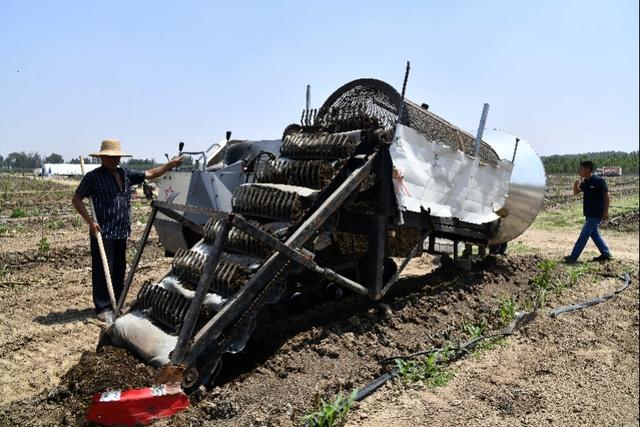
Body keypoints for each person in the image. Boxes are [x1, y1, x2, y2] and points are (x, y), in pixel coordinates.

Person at [72, 139, 182, 320]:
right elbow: (76, 199)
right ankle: (102, 307)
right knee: (102, 269)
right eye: (109, 157)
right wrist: (90, 221)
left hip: (121, 231)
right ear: (102, 158)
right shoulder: (93, 177)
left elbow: (151, 173)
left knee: (119, 269)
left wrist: (169, 165)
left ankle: (117, 302)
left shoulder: (125, 174)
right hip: (103, 231)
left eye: (115, 157)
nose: (113, 160)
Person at [564, 160, 612, 264]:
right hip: (589, 213)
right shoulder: (585, 182)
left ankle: (573, 256)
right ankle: (606, 254)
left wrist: (606, 211)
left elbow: (607, 196)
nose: (579, 170)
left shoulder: (599, 181)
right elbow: (576, 192)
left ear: (588, 169)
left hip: (597, 213)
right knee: (594, 234)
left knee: (584, 234)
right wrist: (575, 185)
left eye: (581, 168)